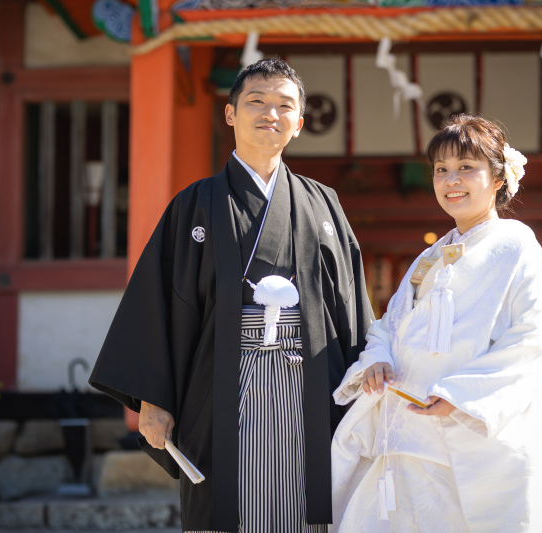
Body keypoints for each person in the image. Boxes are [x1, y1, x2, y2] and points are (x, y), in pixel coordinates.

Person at [89, 58, 374, 533]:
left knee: (310, 509)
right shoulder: (194, 204)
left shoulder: (323, 203)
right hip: (219, 384)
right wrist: (152, 402)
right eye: (256, 102)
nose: (271, 114)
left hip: (310, 385)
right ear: (230, 114)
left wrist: (367, 388)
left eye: (285, 106)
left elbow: (351, 309)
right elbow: (156, 304)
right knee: (223, 508)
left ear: (299, 124)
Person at [330, 114, 542, 532]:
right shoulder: (429, 256)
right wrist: (379, 359)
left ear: (498, 179)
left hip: (470, 428)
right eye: (441, 169)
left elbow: (540, 332)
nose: (450, 179)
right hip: (408, 427)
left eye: (465, 167)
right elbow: (390, 324)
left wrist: (464, 395)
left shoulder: (515, 244)